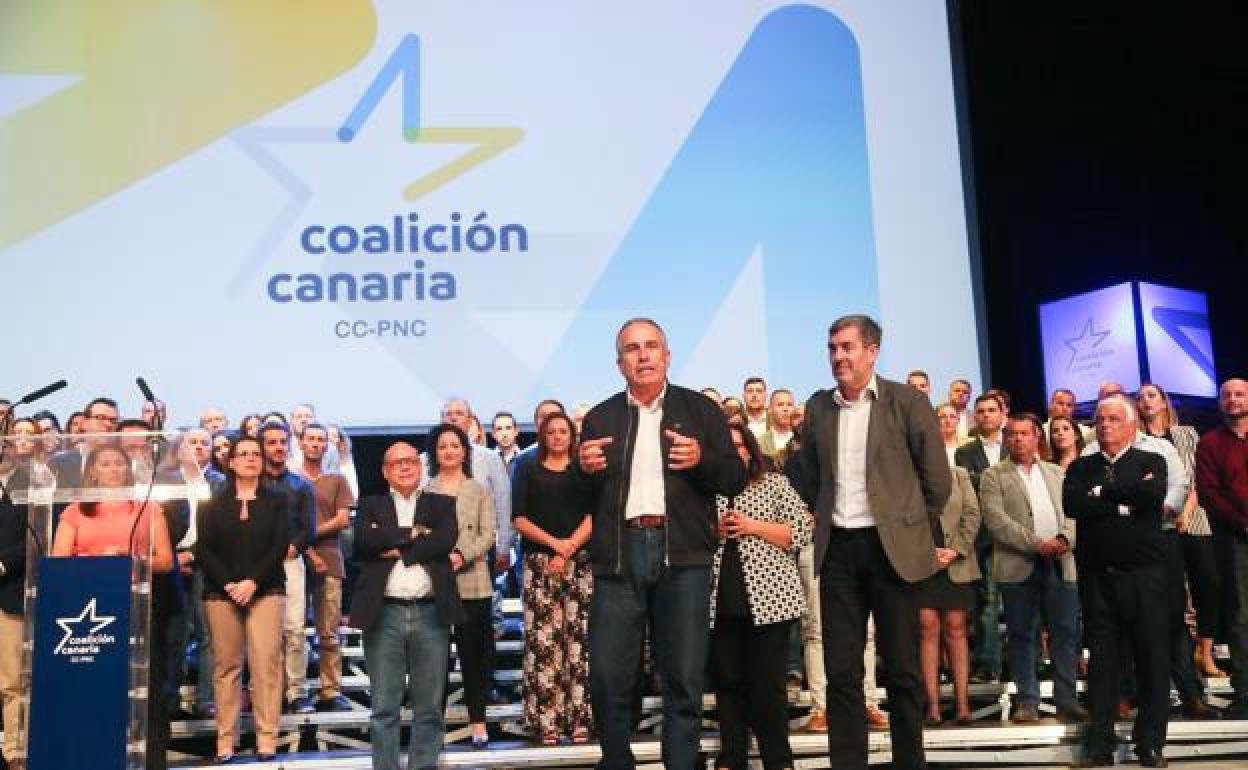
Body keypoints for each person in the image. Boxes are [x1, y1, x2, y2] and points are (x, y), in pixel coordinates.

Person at [578, 317, 746, 770]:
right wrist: (583, 472)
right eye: (632, 349)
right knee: (608, 679)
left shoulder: (700, 411)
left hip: (684, 556)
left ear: (668, 356)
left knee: (684, 680)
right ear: (620, 364)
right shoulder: (601, 417)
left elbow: (734, 476)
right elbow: (579, 498)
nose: (643, 355)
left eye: (652, 346)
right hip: (619, 555)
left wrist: (701, 460)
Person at [787, 314, 950, 770]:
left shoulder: (906, 401)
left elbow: (937, 481)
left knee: (901, 671)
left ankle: (910, 764)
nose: (838, 356)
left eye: (847, 347)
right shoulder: (819, 407)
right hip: (838, 549)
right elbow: (812, 474)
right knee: (842, 674)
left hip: (891, 551)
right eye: (832, 347)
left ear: (872, 351)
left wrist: (907, 526)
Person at [50, 443, 175, 769]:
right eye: (105, 463)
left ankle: (149, 759)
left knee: (146, 687)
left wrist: (132, 560)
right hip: (88, 610)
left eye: (119, 463)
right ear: (92, 471)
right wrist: (97, 562)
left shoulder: (147, 507)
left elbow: (164, 560)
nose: (113, 469)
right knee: (94, 688)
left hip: (139, 609)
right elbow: (59, 558)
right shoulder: (76, 510)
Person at [1064, 395, 1169, 768]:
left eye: (1113, 419)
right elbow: (1073, 506)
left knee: (1152, 660)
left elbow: (1152, 496)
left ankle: (1150, 743)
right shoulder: (1080, 467)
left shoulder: (1151, 461)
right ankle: (1101, 744)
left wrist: (1103, 496)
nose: (1104, 425)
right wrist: (1125, 502)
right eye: (1100, 419)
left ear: (1131, 426)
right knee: (1104, 664)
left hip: (1145, 579)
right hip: (1098, 580)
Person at [351, 441, 463, 770]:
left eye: (411, 461)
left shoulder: (441, 504)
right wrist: (415, 536)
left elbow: (445, 539)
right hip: (384, 613)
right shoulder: (370, 504)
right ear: (385, 472)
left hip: (431, 612)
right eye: (397, 463)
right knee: (384, 707)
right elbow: (364, 541)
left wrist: (393, 543)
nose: (404, 467)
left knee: (429, 707)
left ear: (421, 467)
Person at [709, 421, 810, 770]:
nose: (735, 451)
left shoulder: (775, 484)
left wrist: (753, 526)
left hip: (771, 601)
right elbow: (688, 538)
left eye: (740, 445)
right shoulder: (707, 490)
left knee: (768, 689)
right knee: (729, 685)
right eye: (727, 445)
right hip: (721, 601)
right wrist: (714, 532)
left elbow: (800, 532)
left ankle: (778, 760)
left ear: (751, 451)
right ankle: (732, 757)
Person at [979, 414, 1085, 724]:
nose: (1017, 439)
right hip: (1019, 566)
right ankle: (1027, 701)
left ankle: (1067, 700)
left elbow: (1073, 513)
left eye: (1024, 433)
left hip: (1060, 562)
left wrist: (1064, 537)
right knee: (1022, 635)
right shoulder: (993, 475)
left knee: (1065, 634)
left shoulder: (1056, 473)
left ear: (1037, 436)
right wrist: (1037, 543)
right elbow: (996, 521)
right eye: (1011, 434)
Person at [194, 436, 290, 763]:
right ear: (230, 462)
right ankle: (226, 741)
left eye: (255, 455)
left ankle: (266, 739)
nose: (250, 459)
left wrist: (252, 582)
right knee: (227, 667)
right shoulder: (211, 504)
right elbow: (205, 550)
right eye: (243, 454)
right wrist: (232, 584)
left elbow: (279, 547)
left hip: (266, 589)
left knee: (266, 666)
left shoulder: (278, 501)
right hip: (221, 592)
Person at [1136, 384, 1221, 716]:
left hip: (1193, 518)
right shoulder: (1138, 439)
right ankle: (1185, 678)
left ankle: (1206, 653)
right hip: (1157, 528)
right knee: (1174, 599)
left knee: (1208, 584)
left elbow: (1194, 477)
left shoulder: (1185, 433)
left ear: (1164, 399)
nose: (1146, 401)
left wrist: (1184, 512)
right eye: (1140, 397)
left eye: (1152, 395)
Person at [511, 413, 594, 745]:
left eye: (564, 431)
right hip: (540, 562)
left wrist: (569, 547)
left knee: (579, 642)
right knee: (544, 644)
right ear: (543, 436)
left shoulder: (583, 470)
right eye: (552, 432)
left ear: (572, 435)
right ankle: (546, 721)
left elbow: (595, 515)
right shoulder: (526, 467)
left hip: (580, 561)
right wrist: (555, 546)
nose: (558, 436)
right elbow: (518, 517)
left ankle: (579, 720)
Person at [425, 422, 496, 747]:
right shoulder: (426, 490)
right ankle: (433, 724)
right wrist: (441, 559)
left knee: (474, 657)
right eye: (442, 446)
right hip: (436, 584)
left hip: (474, 584)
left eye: (455, 445)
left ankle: (478, 721)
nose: (449, 451)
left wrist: (459, 556)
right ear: (434, 453)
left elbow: (487, 535)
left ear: (465, 451)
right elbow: (421, 535)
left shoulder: (478, 488)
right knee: (435, 659)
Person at [1195, 378, 1248, 718]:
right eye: (1226, 395)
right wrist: (1243, 524)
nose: (1232, 399)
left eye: (1239, 394)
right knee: (1241, 615)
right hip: (1233, 537)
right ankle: (1245, 692)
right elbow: (1210, 493)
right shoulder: (1210, 443)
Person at [258, 423, 317, 714]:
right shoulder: (250, 483)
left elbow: (309, 528)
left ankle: (296, 692)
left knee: (294, 629)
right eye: (272, 443)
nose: (279, 447)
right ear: (262, 447)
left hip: (291, 562)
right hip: (255, 564)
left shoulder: (301, 485)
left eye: (283, 442)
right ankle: (267, 691)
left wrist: (292, 548)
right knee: (261, 634)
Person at [297, 423, 356, 711]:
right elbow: (285, 524)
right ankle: (293, 691)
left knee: (329, 631)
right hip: (294, 559)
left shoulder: (337, 479)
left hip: (330, 559)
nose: (316, 444)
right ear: (301, 442)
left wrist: (308, 533)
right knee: (292, 630)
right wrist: (305, 546)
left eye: (321, 440)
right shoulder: (290, 479)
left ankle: (330, 689)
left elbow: (343, 519)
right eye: (311, 439)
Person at [917, 462, 980, 726]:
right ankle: (932, 706)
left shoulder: (960, 473)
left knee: (956, 627)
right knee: (927, 627)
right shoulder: (905, 472)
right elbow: (899, 519)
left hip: (956, 560)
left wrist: (956, 549)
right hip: (919, 560)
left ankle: (963, 704)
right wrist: (925, 551)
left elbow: (972, 512)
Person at [955, 393, 1006, 684]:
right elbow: (972, 487)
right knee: (987, 604)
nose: (986, 415)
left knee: (1023, 604)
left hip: (1018, 537)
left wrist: (986, 478)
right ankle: (988, 665)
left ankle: (1032, 662)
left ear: (1002, 414)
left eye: (991, 410)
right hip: (984, 537)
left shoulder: (1015, 443)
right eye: (981, 411)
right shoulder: (965, 452)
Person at [0, 418, 38, 769]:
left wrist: (2, 565)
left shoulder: (31, 484)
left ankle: (13, 751)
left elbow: (33, 534)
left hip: (8, 592)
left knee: (10, 681)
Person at [758, 389, 796, 464]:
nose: (785, 409)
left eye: (789, 405)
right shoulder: (760, 443)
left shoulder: (803, 440)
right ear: (770, 410)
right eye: (780, 405)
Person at [936, 403, 962, 467]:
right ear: (935, 419)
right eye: (943, 417)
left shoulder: (968, 445)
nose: (948, 421)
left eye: (952, 416)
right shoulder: (929, 446)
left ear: (958, 420)